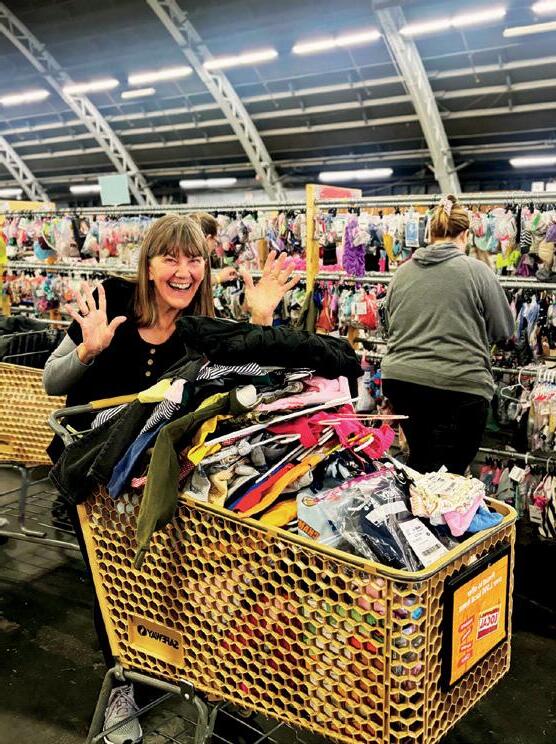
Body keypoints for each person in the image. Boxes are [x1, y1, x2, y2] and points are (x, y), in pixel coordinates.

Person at [43, 213, 299, 744]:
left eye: (195, 260)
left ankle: (188, 679)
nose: (183, 271)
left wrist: (260, 321)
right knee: (115, 587)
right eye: (171, 258)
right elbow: (51, 381)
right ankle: (124, 686)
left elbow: (252, 387)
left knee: (171, 586)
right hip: (93, 476)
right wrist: (88, 350)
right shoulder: (111, 299)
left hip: (157, 479)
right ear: (149, 264)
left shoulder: (203, 329)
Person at [381, 194, 514, 475]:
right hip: (460, 384)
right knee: (451, 472)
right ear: (465, 235)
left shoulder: (402, 274)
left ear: (429, 234)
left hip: (402, 381)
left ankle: (410, 499)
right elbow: (503, 330)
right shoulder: (477, 272)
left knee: (422, 460)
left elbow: (389, 326)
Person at [189, 210, 238, 286]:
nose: (215, 245)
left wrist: (219, 277)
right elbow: (196, 285)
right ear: (208, 239)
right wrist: (219, 278)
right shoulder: (194, 262)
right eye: (215, 241)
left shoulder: (188, 257)